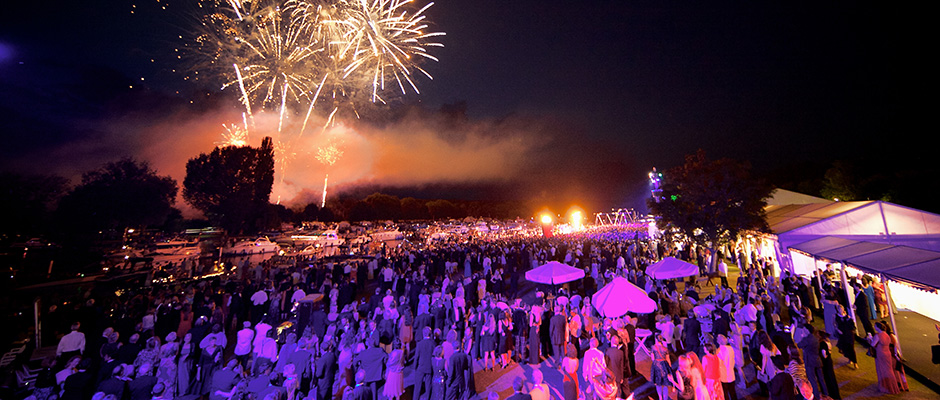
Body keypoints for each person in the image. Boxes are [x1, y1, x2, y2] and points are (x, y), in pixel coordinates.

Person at [868, 322, 900, 394]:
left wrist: (870, 339)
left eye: (875, 326)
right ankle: (892, 386)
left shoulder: (878, 335)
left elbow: (873, 345)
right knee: (889, 370)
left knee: (881, 369)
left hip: (881, 354)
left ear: (877, 327)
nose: (874, 327)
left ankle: (884, 387)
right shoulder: (887, 335)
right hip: (887, 354)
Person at [818, 332, 841, 400]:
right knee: (832, 377)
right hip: (829, 361)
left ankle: (832, 394)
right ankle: (835, 394)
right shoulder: (828, 341)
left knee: (828, 378)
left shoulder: (822, 343)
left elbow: (824, 354)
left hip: (826, 363)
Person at [650, 333, 673, 400]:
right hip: (664, 366)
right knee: (665, 384)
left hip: (656, 365)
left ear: (656, 339)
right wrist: (670, 369)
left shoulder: (653, 347)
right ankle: (665, 398)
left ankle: (660, 397)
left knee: (658, 384)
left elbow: (652, 358)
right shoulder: (665, 349)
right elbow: (668, 359)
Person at [834, 305, 857, 369]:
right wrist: (838, 330)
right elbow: (834, 324)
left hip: (849, 334)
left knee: (851, 347)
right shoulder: (835, 316)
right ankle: (850, 358)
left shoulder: (847, 316)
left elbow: (851, 325)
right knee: (845, 347)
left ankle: (855, 362)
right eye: (839, 309)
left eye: (842, 309)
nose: (841, 310)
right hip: (842, 334)